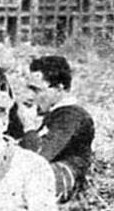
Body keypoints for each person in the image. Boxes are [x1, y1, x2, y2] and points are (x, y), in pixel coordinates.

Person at [17, 55, 95, 202]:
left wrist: (28, 126)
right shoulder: (56, 114)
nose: (30, 96)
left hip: (65, 178)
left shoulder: (71, 116)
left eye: (36, 90)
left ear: (59, 89)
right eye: (29, 89)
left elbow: (37, 159)